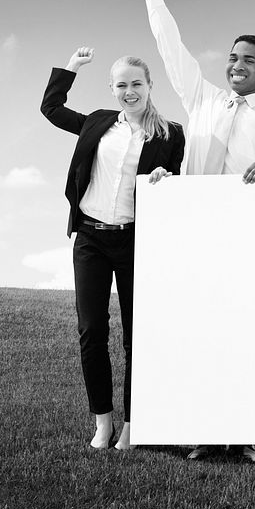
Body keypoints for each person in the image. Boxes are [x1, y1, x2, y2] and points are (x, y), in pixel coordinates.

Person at [142, 0, 255, 463]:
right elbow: (172, 50)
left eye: (248, 60)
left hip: (248, 243)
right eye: (233, 58)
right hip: (196, 236)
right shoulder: (202, 99)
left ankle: (244, 434)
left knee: (245, 336)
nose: (236, 65)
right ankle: (204, 432)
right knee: (200, 334)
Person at [41, 47, 184, 451]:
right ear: (112, 89)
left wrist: (164, 177)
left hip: (136, 240)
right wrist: (71, 67)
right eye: (121, 85)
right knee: (91, 331)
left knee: (136, 338)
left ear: (150, 86)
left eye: (136, 83)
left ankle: (131, 424)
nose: (129, 91)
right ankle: (102, 422)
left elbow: (175, 182)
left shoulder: (170, 133)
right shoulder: (97, 123)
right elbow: (51, 108)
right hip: (90, 237)